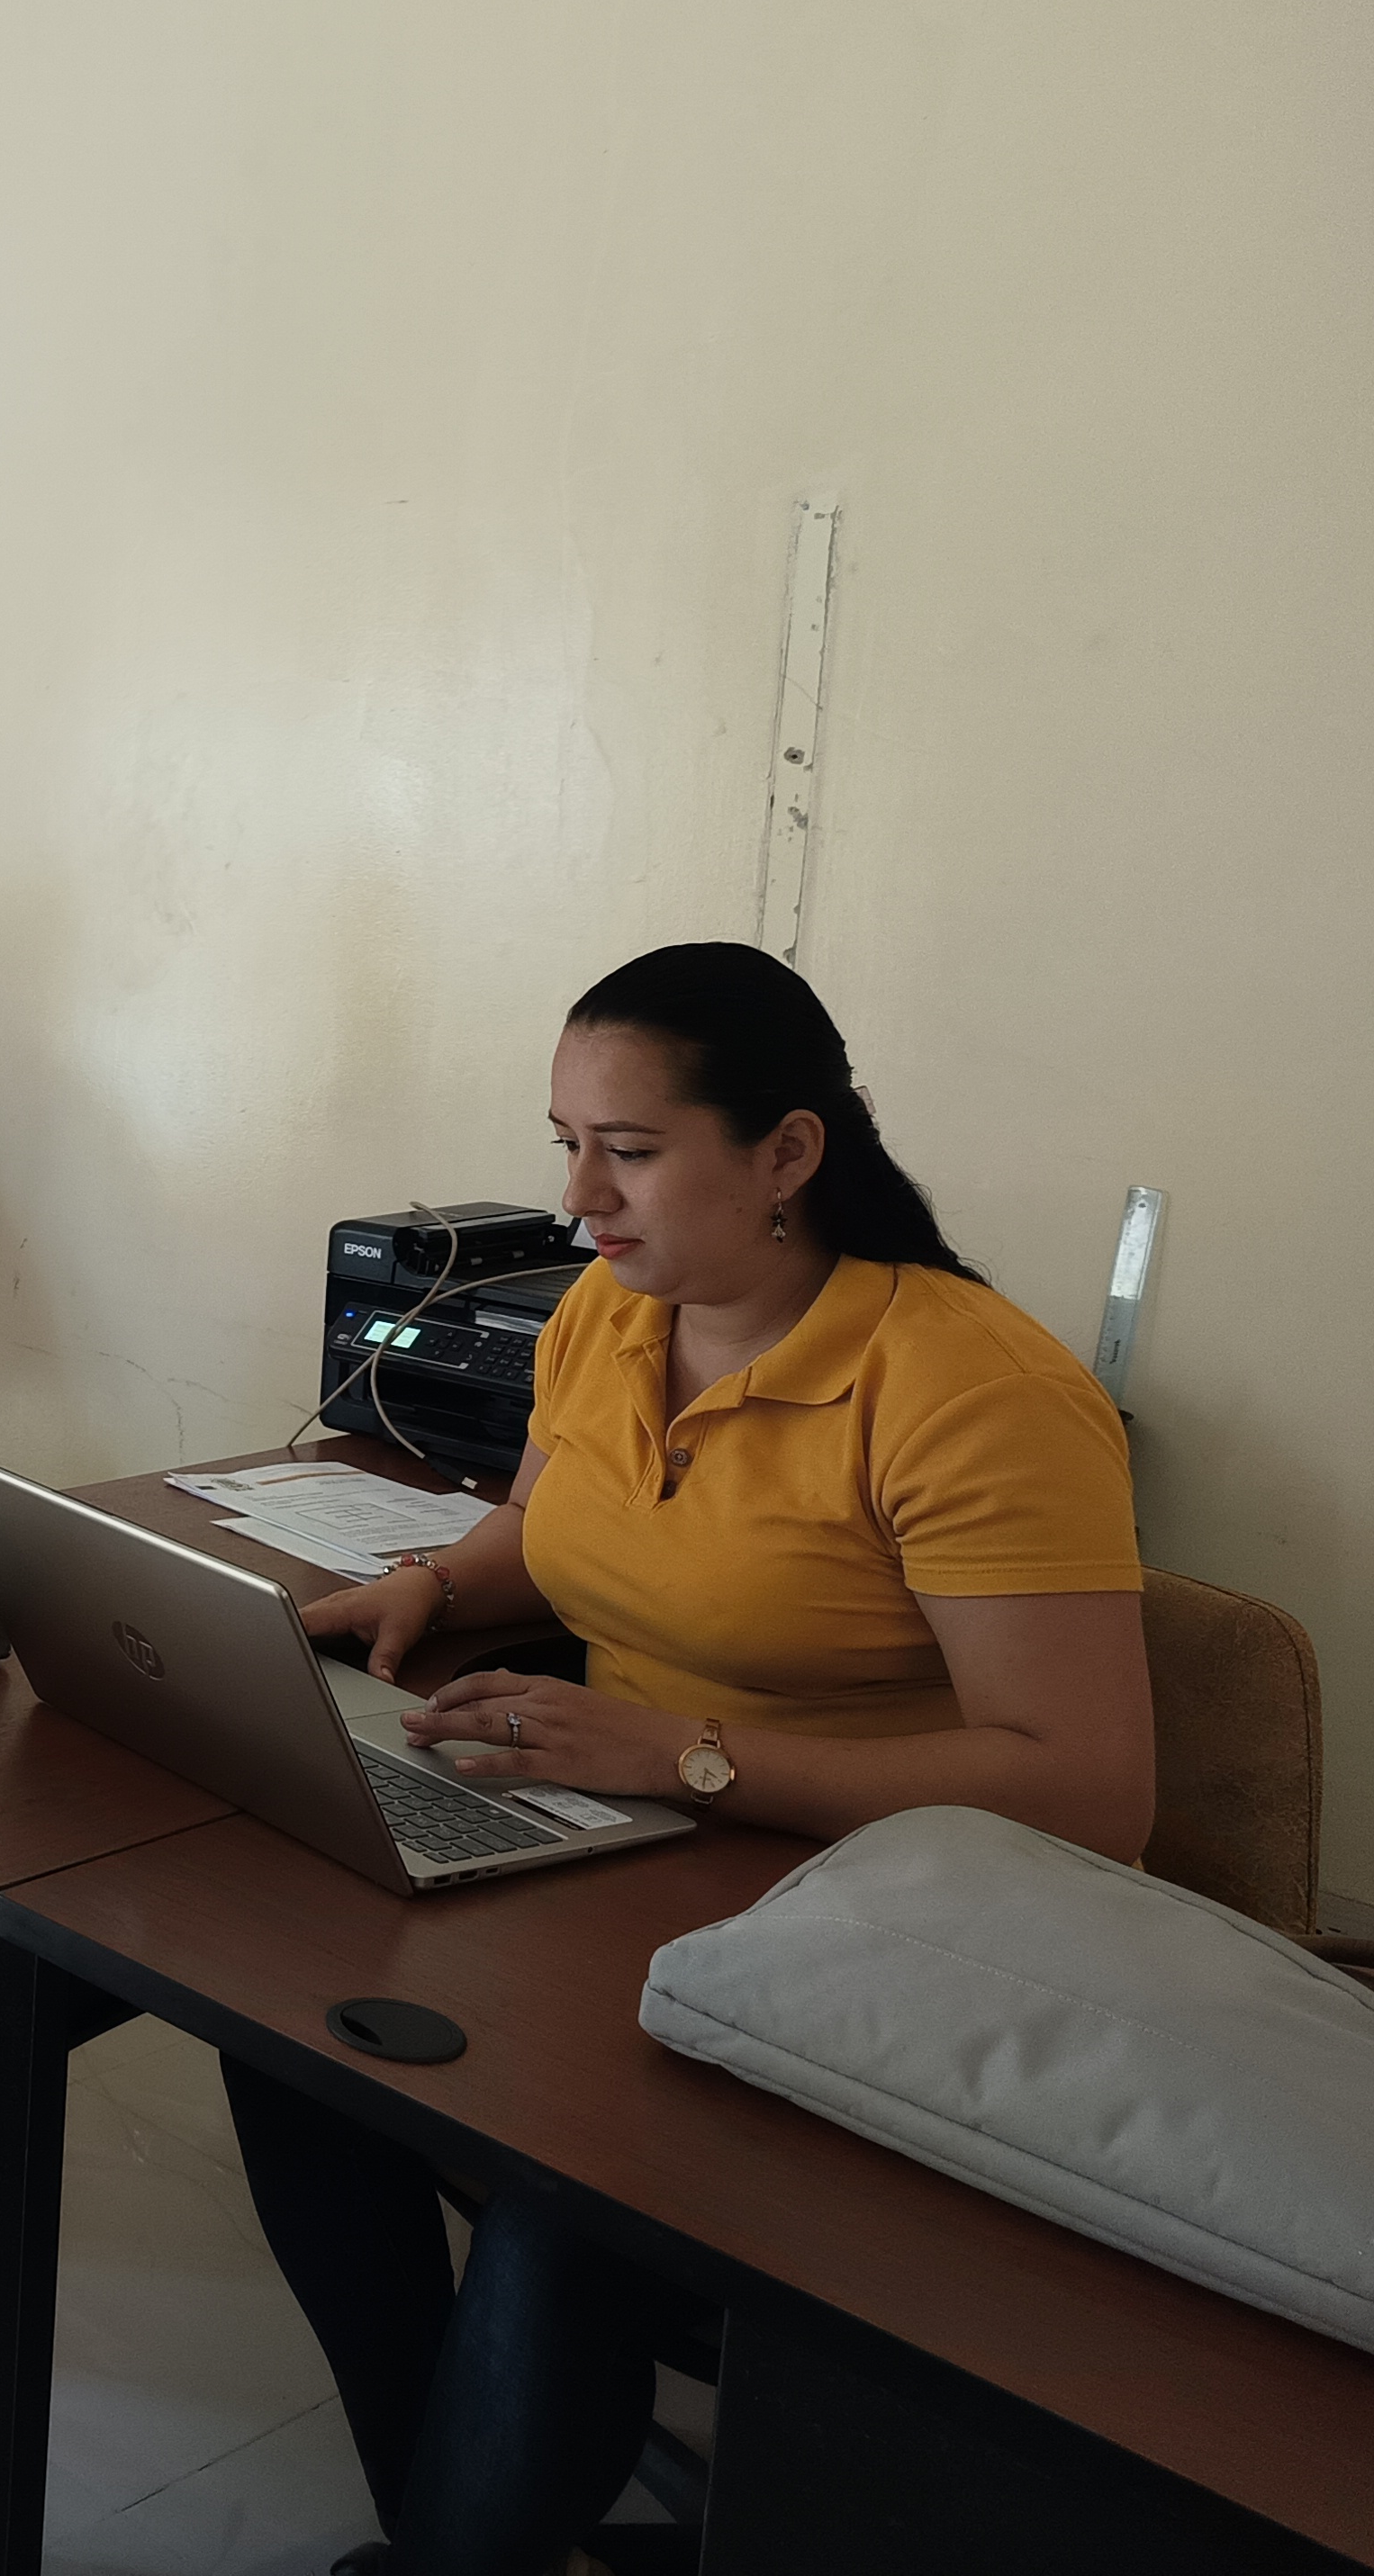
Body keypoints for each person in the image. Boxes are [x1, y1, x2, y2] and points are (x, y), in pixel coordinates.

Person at [240, 941, 1150, 2576]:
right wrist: (432, 1584)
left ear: (789, 1152)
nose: (581, 1196)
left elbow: (1089, 1788)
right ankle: (447, 2526)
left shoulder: (974, 1390)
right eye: (566, 1144)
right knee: (291, 2033)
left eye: (632, 1151)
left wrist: (689, 1757)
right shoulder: (611, 1309)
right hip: (629, 1850)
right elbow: (549, 1532)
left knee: (568, 2181)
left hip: (888, 1921)